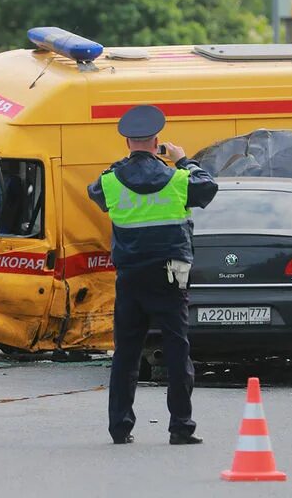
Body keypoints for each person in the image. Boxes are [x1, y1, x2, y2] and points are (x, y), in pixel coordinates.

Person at [87, 105, 218, 445]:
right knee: (177, 350)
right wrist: (183, 159)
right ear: (157, 141)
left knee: (126, 354)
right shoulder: (178, 179)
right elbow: (209, 186)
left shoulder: (111, 181)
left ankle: (120, 428)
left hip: (130, 279)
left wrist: (121, 166)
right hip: (169, 277)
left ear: (128, 142)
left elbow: (95, 191)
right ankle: (180, 427)